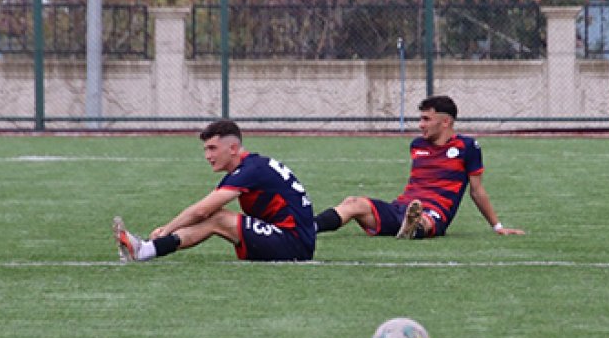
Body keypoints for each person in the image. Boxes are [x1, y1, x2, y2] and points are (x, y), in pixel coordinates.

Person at [313, 95, 525, 240]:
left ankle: (412, 228)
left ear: (445, 122)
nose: (420, 125)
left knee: (424, 220)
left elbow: (477, 191)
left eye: (426, 119)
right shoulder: (417, 145)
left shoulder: (467, 146)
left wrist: (497, 227)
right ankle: (309, 227)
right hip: (401, 207)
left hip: (434, 212)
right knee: (353, 202)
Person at [113, 119, 315, 262]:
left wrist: (166, 229)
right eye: (206, 149)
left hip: (292, 245)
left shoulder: (251, 170)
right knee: (215, 217)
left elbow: (203, 210)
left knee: (217, 219)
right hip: (291, 238)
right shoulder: (251, 166)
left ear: (233, 148)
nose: (208, 155)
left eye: (212, 148)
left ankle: (145, 250)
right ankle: (145, 249)